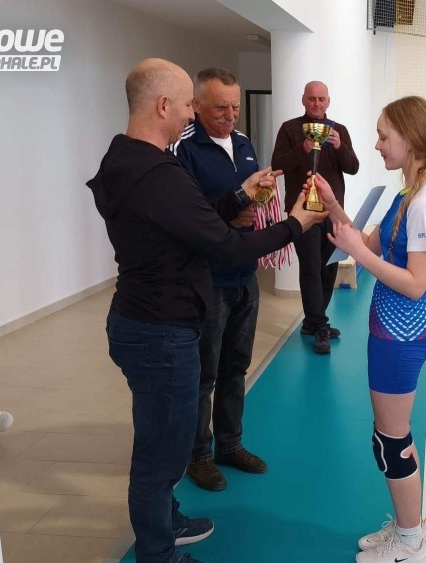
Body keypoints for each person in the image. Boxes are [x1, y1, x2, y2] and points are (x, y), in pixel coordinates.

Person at [86, 58, 326, 563]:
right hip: (159, 330)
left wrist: (239, 196)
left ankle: (168, 519)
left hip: (142, 318)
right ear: (164, 105)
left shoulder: (125, 157)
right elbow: (225, 244)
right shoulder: (158, 172)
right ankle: (158, 553)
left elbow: (190, 223)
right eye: (187, 105)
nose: (190, 114)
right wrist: (296, 224)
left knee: (164, 440)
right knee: (161, 455)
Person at [316, 95, 426, 563]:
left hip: (403, 336)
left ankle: (410, 542)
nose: (376, 145)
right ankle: (408, 526)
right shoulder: (405, 195)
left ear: (409, 140)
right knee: (390, 436)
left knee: (391, 440)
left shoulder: (425, 204)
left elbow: (415, 284)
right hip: (390, 332)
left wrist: (359, 253)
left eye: (383, 136)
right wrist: (334, 206)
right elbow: (365, 242)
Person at [171, 68, 268, 491]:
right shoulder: (183, 149)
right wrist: (234, 207)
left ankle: (230, 444)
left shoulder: (243, 143)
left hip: (245, 274)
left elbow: (248, 198)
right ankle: (198, 455)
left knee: (236, 367)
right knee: (204, 374)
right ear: (196, 105)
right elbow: (187, 217)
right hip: (207, 280)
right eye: (219, 108)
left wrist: (258, 198)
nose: (230, 115)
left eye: (235, 107)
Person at [272, 81, 360, 354]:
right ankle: (320, 325)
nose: (317, 103)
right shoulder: (290, 129)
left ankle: (313, 322)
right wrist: (303, 148)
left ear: (328, 101)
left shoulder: (339, 130)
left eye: (322, 99)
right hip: (303, 212)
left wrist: (339, 146)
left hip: (333, 212)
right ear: (303, 100)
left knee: (329, 268)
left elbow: (353, 167)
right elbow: (277, 166)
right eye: (312, 98)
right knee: (311, 268)